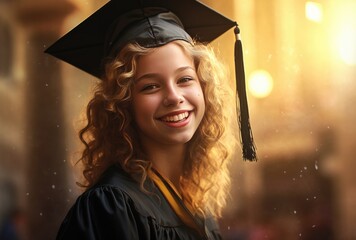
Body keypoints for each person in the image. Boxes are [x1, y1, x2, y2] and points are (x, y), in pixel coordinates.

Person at [46, 0, 256, 239]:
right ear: (123, 102)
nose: (174, 97)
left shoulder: (195, 205)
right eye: (151, 86)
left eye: (185, 79)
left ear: (205, 87)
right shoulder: (111, 207)